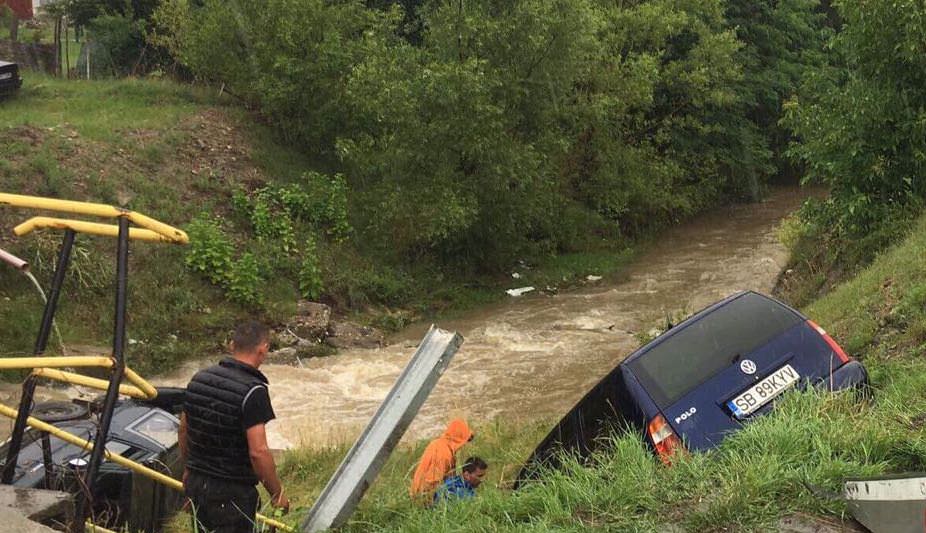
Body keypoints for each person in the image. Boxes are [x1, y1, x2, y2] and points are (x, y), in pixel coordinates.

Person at [179, 321, 289, 533]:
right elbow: (258, 451)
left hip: (197, 483)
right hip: (231, 492)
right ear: (263, 349)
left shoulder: (199, 379)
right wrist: (277, 493)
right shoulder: (253, 391)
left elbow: (184, 429)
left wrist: (190, 468)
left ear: (231, 345)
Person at [409, 418, 473, 502]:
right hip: (424, 497)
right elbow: (431, 484)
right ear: (458, 439)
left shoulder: (441, 444)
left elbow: (450, 478)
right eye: (464, 441)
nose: (464, 445)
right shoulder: (444, 454)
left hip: (425, 493)